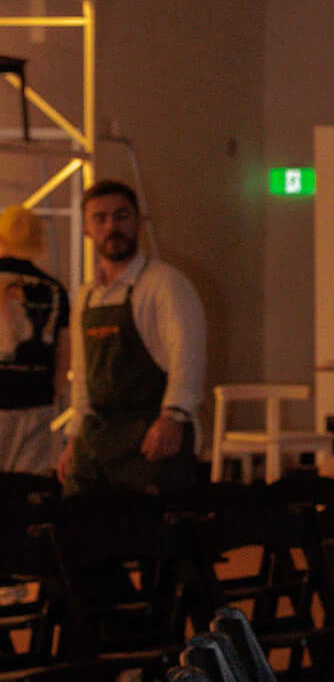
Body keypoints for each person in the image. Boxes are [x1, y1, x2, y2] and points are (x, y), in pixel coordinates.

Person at [59, 180, 206, 495]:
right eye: (101, 218)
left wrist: (174, 416)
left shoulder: (166, 284)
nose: (112, 226)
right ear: (86, 229)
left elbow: (188, 356)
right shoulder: (86, 296)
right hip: (97, 439)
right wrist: (74, 439)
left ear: (138, 223)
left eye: (121, 216)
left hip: (151, 438)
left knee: (149, 537)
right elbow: (83, 376)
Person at [0, 205, 71, 476]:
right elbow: (64, 354)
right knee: (26, 491)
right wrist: (50, 393)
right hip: (36, 402)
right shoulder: (55, 289)